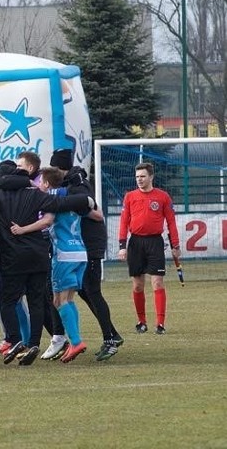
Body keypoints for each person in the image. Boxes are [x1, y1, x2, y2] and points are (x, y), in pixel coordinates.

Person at [0, 170, 95, 365]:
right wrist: (85, 201)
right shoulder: (35, 195)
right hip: (38, 256)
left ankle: (14, 339)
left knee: (7, 300)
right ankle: (34, 343)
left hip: (13, 257)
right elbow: (59, 204)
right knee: (36, 301)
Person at [10, 167, 104, 363]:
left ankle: (76, 342)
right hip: (80, 252)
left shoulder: (53, 200)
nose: (36, 184)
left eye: (39, 181)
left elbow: (47, 221)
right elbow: (97, 214)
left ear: (45, 183)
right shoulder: (72, 199)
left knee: (58, 301)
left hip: (64, 255)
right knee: (67, 299)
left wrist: (22, 229)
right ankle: (75, 340)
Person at [50, 148, 124, 361]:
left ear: (59, 167)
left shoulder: (78, 185)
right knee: (83, 291)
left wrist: (81, 204)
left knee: (92, 291)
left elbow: (94, 212)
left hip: (89, 244)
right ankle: (112, 334)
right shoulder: (71, 183)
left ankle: (110, 339)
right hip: (82, 244)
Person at [118, 162, 181, 335]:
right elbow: (124, 222)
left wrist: (175, 245)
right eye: (137, 177)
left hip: (155, 243)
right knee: (138, 285)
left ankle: (160, 324)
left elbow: (171, 222)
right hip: (136, 243)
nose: (139, 179)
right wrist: (122, 246)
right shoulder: (130, 196)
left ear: (151, 177)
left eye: (143, 176)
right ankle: (141, 321)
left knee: (157, 282)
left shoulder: (163, 197)